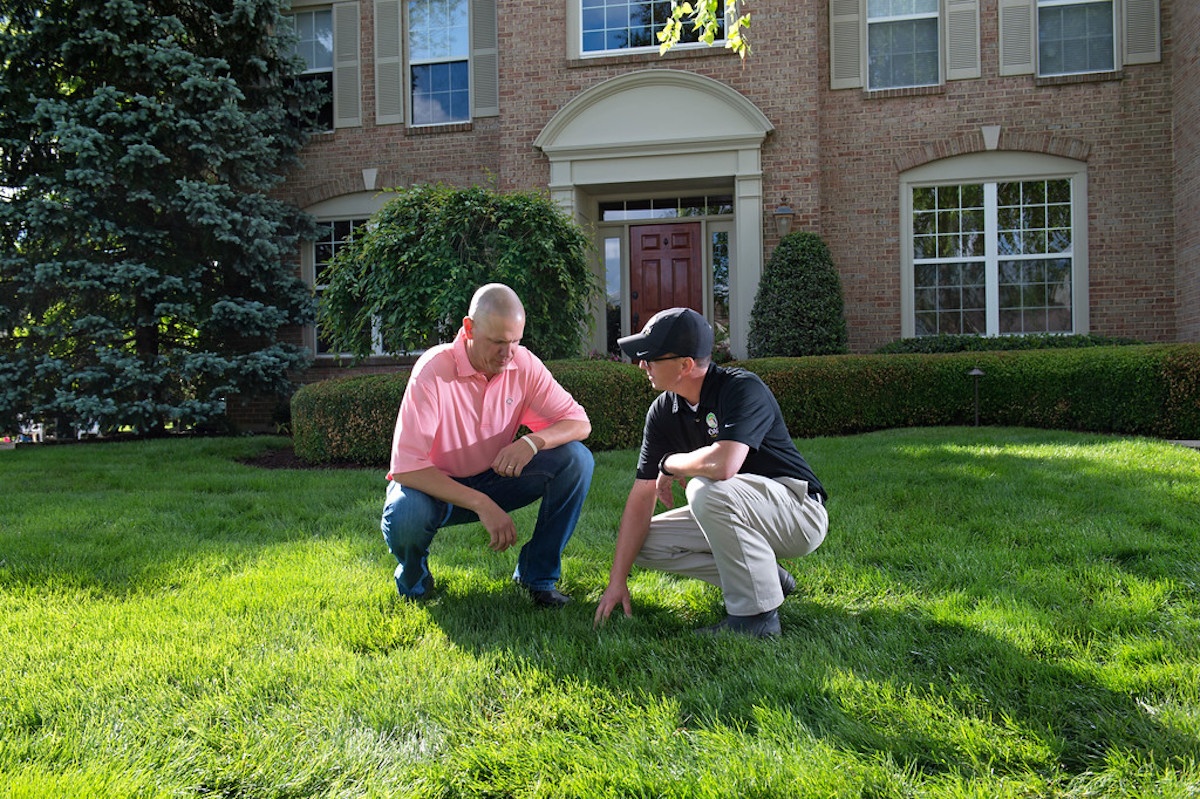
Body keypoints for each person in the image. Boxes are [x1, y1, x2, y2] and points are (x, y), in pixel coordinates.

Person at [594, 307, 828, 638]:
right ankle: (768, 578)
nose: (642, 364)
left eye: (651, 357)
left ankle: (756, 619)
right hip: (739, 508)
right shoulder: (664, 410)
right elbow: (641, 494)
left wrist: (670, 463)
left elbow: (723, 464)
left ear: (685, 365)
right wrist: (618, 580)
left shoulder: (741, 388)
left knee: (704, 489)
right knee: (643, 543)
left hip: (798, 512)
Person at [381, 283, 594, 607]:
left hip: (495, 477)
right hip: (433, 489)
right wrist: (482, 504)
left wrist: (533, 441)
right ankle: (415, 580)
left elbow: (579, 423)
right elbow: (407, 469)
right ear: (469, 329)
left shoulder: (523, 364)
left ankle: (536, 576)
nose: (507, 354)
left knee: (577, 461)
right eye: (497, 342)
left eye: (515, 341)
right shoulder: (433, 370)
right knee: (404, 513)